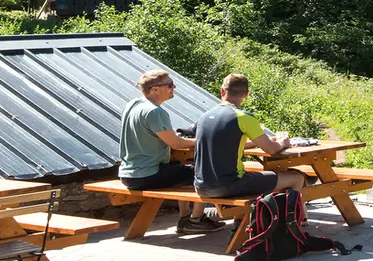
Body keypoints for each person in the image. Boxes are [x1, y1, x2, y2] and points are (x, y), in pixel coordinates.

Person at [119, 70, 223, 234]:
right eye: (169, 85)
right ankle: (196, 220)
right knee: (204, 174)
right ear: (155, 89)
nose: (173, 87)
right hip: (147, 174)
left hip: (128, 174)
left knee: (180, 167)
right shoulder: (155, 111)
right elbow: (177, 144)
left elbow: (153, 133)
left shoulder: (133, 105)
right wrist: (205, 140)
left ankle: (185, 216)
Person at [193, 73, 306, 202]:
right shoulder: (243, 117)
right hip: (229, 184)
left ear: (222, 91)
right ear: (246, 94)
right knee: (296, 178)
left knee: (255, 177)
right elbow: (271, 150)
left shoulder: (204, 117)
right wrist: (282, 143)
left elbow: (227, 144)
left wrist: (256, 143)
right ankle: (293, 219)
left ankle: (242, 218)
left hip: (200, 186)